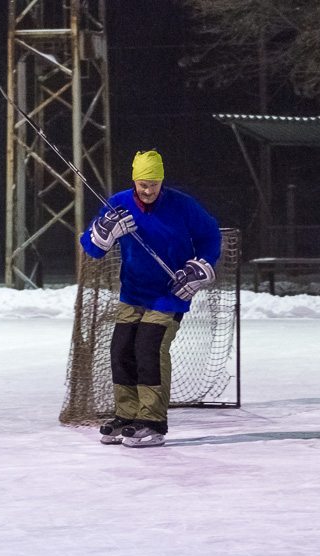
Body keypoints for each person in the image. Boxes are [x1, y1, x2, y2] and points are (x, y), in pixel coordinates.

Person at [80, 150, 221, 448]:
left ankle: (153, 421)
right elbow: (91, 248)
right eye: (143, 184)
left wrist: (200, 266)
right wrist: (102, 233)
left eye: (154, 184)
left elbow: (211, 236)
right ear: (134, 181)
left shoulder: (182, 205)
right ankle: (127, 415)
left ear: (161, 181)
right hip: (133, 292)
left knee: (149, 348)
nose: (148, 190)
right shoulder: (118, 203)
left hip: (169, 294)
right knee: (121, 350)